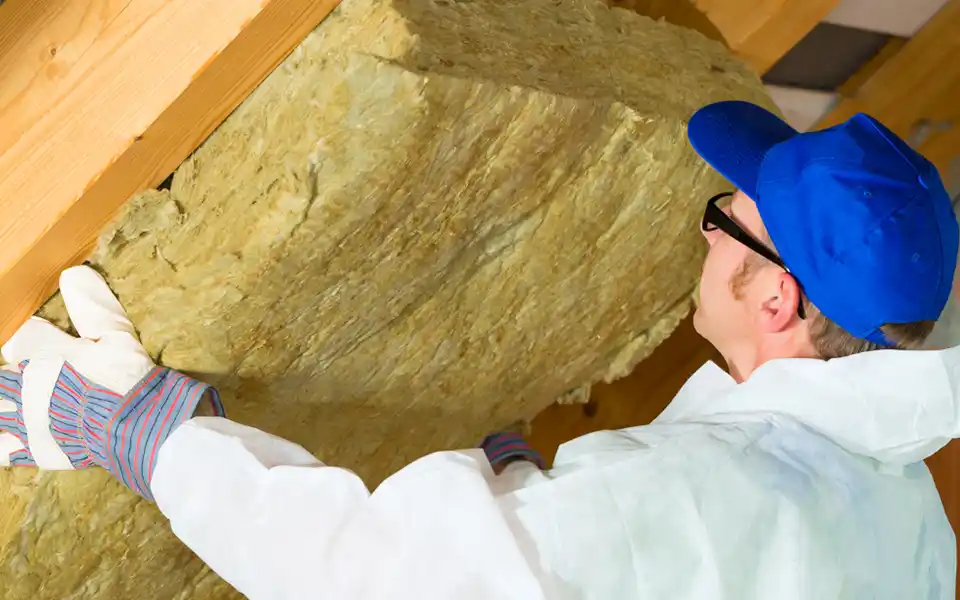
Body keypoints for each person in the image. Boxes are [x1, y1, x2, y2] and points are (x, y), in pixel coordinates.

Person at [1, 100, 958, 599]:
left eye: (726, 221)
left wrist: (151, 438)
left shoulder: (694, 488)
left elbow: (376, 581)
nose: (706, 238)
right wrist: (548, 523)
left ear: (779, 298)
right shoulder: (910, 523)